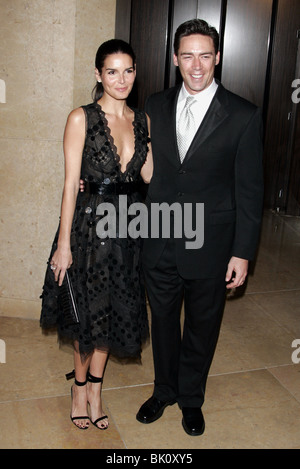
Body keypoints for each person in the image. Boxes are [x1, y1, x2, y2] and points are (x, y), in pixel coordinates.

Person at [136, 19, 264, 436]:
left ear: (218, 59)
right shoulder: (153, 105)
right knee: (164, 321)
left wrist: (242, 252)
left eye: (205, 56)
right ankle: (165, 390)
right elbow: (138, 163)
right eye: (187, 55)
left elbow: (250, 192)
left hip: (212, 244)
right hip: (159, 239)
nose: (196, 65)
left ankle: (192, 398)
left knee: (203, 325)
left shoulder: (243, 115)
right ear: (175, 59)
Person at [40, 39, 153, 431]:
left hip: (127, 229)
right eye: (112, 71)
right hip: (87, 228)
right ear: (98, 74)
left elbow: (149, 176)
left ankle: (96, 391)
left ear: (136, 72)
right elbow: (70, 184)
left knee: (115, 311)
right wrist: (64, 246)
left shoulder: (143, 120)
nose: (121, 79)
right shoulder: (81, 118)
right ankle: (79, 387)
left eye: (128, 70)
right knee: (85, 314)